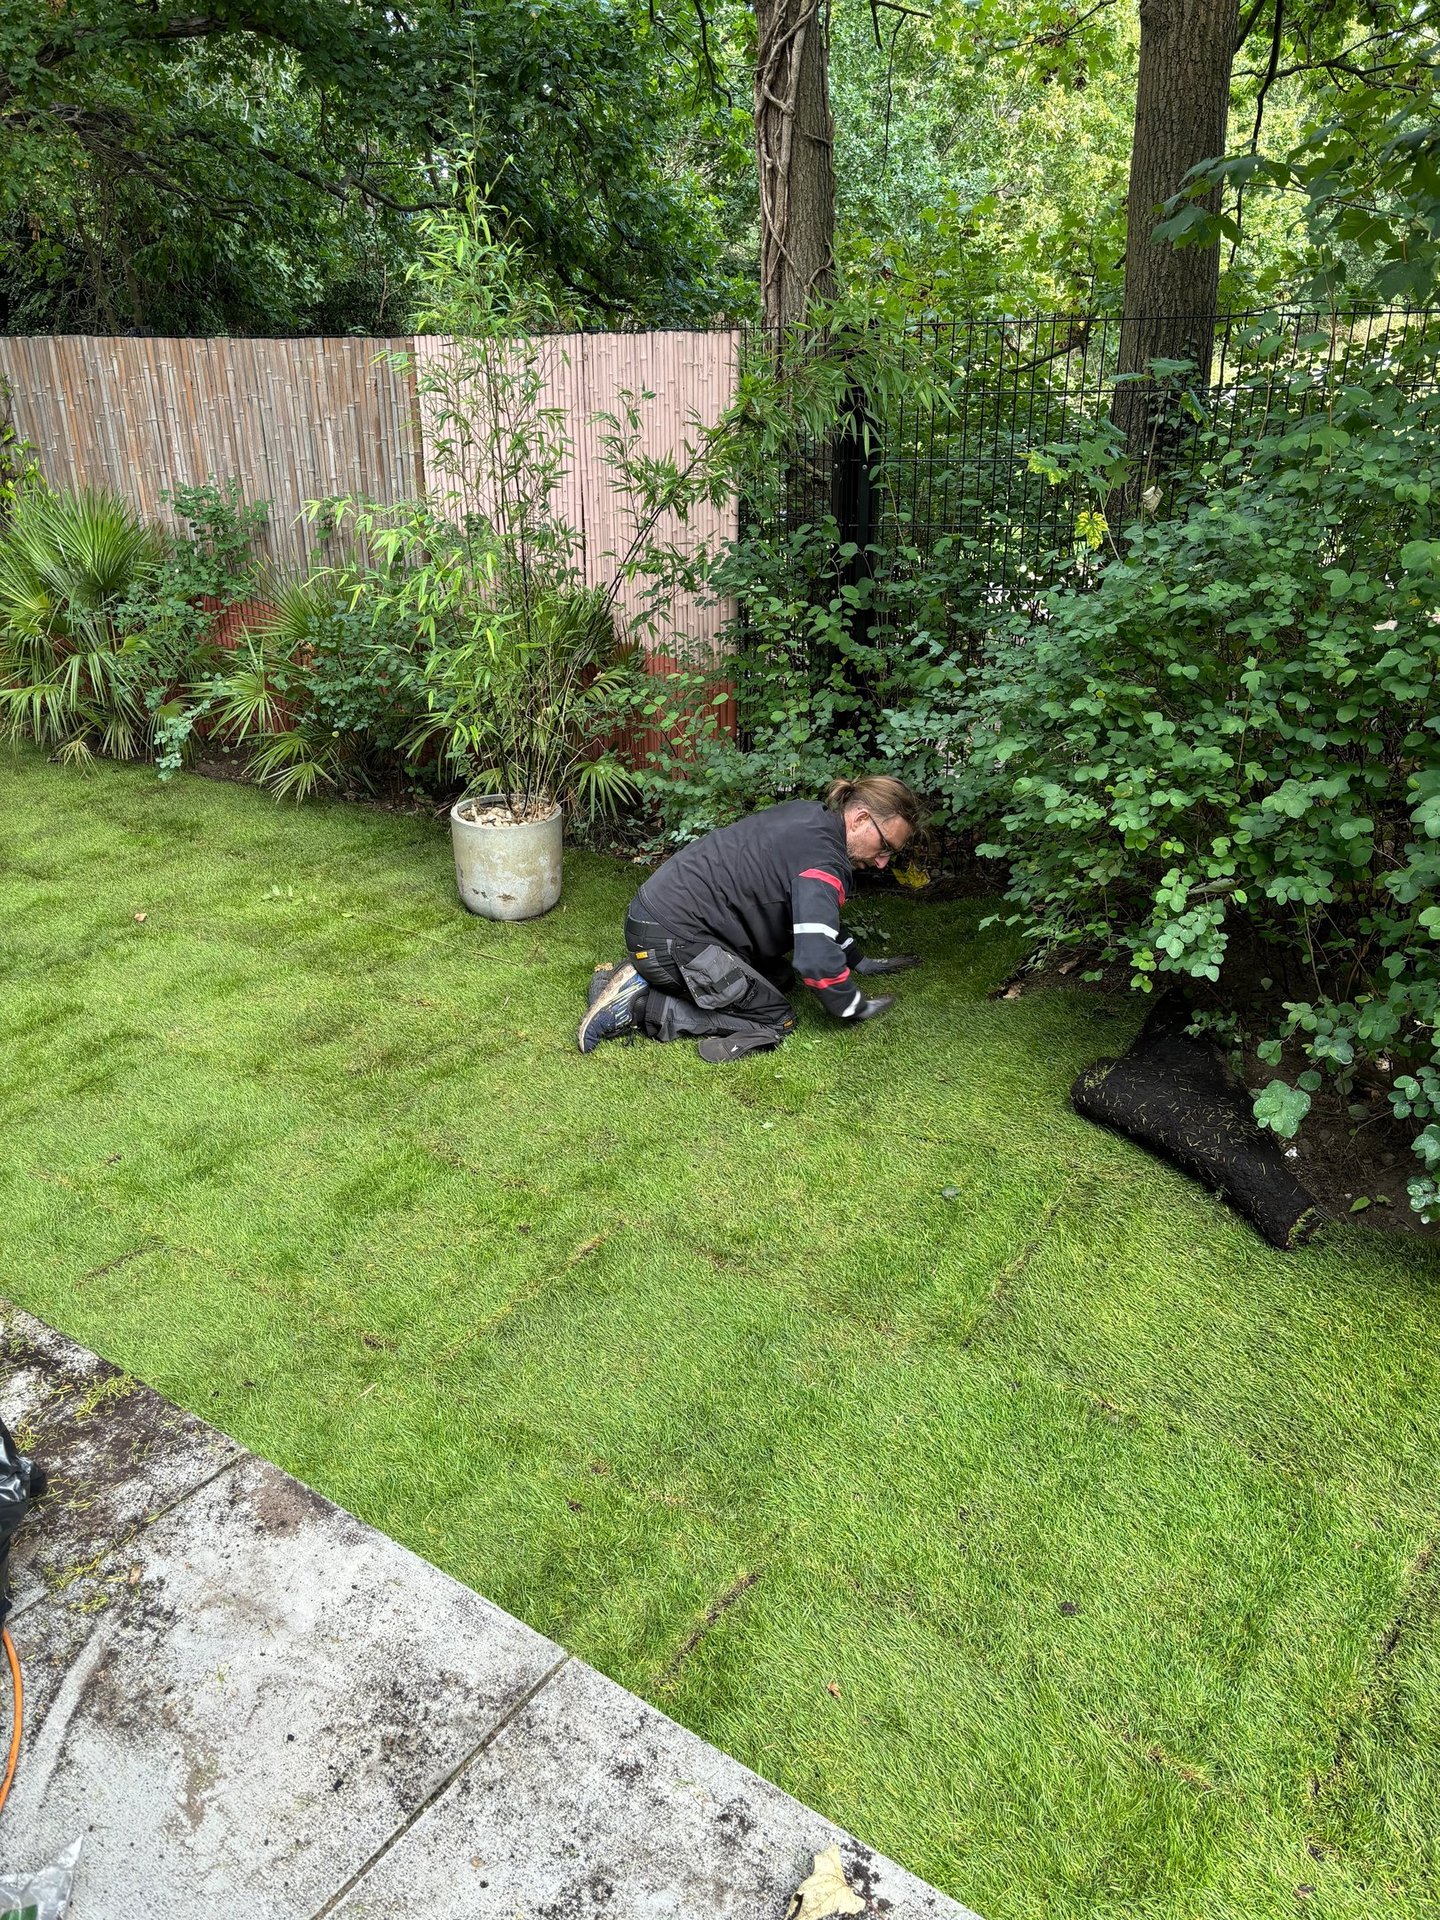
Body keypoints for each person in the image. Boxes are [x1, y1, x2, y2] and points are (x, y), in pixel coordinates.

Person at [577, 775, 925, 1063]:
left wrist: (859, 961)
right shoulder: (823, 863)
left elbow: (819, 920)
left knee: (779, 977)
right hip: (672, 940)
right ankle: (641, 1007)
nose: (882, 863)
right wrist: (854, 1007)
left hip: (656, 918)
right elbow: (816, 961)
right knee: (776, 1017)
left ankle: (639, 975)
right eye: (885, 847)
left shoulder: (811, 817)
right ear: (861, 818)